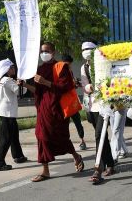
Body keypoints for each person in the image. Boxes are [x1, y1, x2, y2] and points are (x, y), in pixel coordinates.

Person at [22, 42, 84, 182]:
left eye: (47, 51)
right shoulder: (39, 69)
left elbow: (65, 87)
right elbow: (37, 91)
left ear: (53, 52)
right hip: (44, 109)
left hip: (57, 109)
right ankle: (45, 171)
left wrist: (45, 82)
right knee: (41, 136)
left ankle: (76, 156)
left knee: (60, 137)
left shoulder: (61, 67)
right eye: (42, 51)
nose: (44, 53)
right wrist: (25, 84)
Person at [80, 41, 116, 184]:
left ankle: (98, 168)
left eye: (89, 48)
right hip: (92, 105)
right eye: (84, 49)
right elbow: (84, 85)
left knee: (98, 134)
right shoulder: (84, 67)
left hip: (105, 104)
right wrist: (88, 87)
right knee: (101, 135)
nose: (86, 51)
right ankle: (111, 164)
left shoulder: (105, 62)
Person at [0, 59, 28, 171]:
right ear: (7, 69)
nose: (14, 69)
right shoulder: (7, 80)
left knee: (14, 136)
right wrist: (23, 82)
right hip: (7, 114)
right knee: (5, 139)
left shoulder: (4, 80)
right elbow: (20, 91)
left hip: (7, 113)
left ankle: (18, 156)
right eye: (12, 67)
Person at [60, 54, 87, 150]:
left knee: (77, 122)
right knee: (64, 125)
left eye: (69, 65)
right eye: (66, 65)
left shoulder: (70, 72)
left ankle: (82, 140)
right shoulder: (58, 73)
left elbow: (72, 85)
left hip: (72, 102)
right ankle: (65, 143)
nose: (68, 67)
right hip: (63, 103)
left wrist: (75, 84)